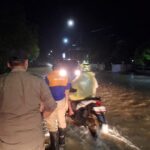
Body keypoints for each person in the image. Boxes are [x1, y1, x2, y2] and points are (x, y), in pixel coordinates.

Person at [0, 50, 57, 150]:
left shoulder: (2, 81)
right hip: (33, 140)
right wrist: (41, 117)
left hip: (6, 141)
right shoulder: (38, 81)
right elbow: (51, 106)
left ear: (8, 64)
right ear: (26, 63)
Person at [45, 64, 71, 150]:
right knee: (61, 120)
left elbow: (45, 92)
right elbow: (67, 91)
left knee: (51, 122)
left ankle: (54, 145)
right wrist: (67, 103)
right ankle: (62, 144)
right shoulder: (66, 76)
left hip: (51, 102)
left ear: (52, 69)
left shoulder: (48, 76)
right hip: (62, 101)